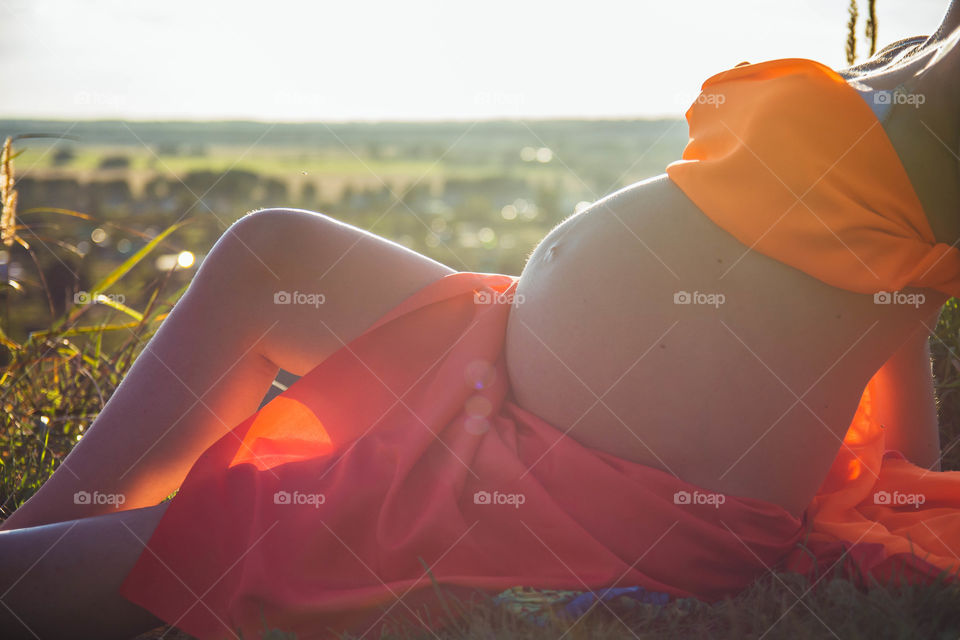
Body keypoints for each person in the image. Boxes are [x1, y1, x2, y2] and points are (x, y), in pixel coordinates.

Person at [4, 5, 960, 638]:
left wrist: (884, 490)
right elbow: (891, 291)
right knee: (273, 253)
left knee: (139, 552)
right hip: (516, 356)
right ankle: (36, 527)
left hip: (608, 479)